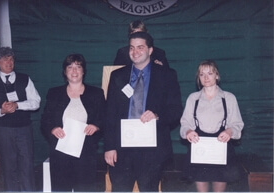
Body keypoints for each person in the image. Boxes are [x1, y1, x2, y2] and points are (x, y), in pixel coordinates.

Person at [104, 32, 183, 192]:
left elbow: (176, 110)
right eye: (132, 48)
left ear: (150, 50)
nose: (135, 52)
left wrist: (157, 115)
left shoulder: (167, 75)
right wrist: (109, 146)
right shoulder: (117, 76)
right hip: (121, 149)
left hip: (152, 150)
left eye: (140, 47)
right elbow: (110, 113)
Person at [40, 53, 105, 192]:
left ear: (83, 71)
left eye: (78, 67)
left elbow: (104, 118)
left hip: (86, 151)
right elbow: (45, 120)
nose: (74, 71)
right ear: (65, 71)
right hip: (61, 150)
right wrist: (53, 129)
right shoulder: (54, 93)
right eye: (70, 67)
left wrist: (96, 126)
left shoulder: (96, 93)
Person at [180, 60, 244, 192]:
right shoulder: (193, 98)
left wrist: (229, 131)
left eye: (210, 73)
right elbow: (185, 123)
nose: (206, 77)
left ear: (217, 75)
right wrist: (188, 132)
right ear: (198, 78)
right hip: (200, 149)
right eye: (202, 74)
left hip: (221, 149)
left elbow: (237, 124)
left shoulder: (229, 98)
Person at [0, 47, 41, 191]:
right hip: (3, 130)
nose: (9, 62)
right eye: (5, 59)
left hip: (24, 129)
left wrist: (18, 105)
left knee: (27, 165)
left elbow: (36, 102)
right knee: (7, 166)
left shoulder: (25, 79)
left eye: (11, 59)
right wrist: (2, 110)